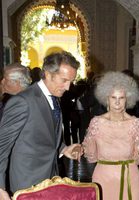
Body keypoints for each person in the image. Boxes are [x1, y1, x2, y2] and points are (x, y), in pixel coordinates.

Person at [0, 51, 82, 200]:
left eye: (71, 81)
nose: (68, 87)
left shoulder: (54, 98)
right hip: (26, 184)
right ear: (48, 74)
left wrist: (63, 149)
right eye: (64, 80)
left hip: (51, 180)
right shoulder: (22, 102)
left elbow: (42, 135)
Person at [82, 71, 139, 200]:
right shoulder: (97, 123)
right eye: (113, 97)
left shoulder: (136, 124)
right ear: (107, 98)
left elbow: (138, 155)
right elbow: (90, 155)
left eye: (121, 98)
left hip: (129, 177)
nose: (117, 102)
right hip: (103, 178)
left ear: (128, 99)